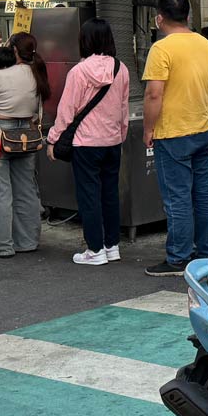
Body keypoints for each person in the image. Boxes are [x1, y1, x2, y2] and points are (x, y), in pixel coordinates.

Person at [142, 0, 208, 277]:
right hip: (203, 130)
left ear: (160, 19)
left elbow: (153, 94)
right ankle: (206, 252)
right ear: (188, 16)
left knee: (177, 197)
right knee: (203, 193)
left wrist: (148, 128)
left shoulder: (161, 49)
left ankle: (178, 258)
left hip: (173, 132)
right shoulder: (206, 45)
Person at [46, 18, 130, 266]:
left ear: (84, 41)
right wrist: (121, 134)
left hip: (86, 143)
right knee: (109, 193)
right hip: (112, 141)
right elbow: (123, 107)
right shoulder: (120, 69)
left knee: (89, 196)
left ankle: (95, 250)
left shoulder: (79, 72)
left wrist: (53, 139)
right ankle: (111, 245)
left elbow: (66, 111)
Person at [0, 32, 48, 258]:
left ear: (14, 50)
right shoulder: (36, 73)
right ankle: (27, 241)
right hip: (28, 136)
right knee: (26, 190)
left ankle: (1, 245)